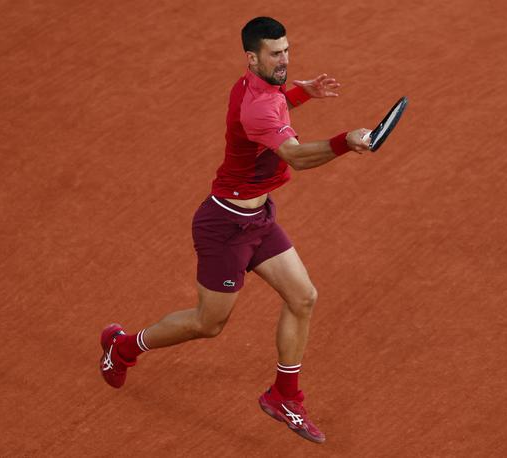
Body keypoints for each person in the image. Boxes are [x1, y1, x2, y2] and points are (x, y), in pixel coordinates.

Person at [99, 16, 371, 444]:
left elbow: (278, 102)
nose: (284, 60)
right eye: (275, 54)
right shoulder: (258, 105)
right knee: (208, 325)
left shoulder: (258, 84)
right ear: (252, 56)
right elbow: (296, 157)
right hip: (225, 225)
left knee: (303, 297)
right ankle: (124, 346)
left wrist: (303, 92)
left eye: (286, 50)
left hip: (258, 219)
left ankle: (284, 395)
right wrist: (344, 142)